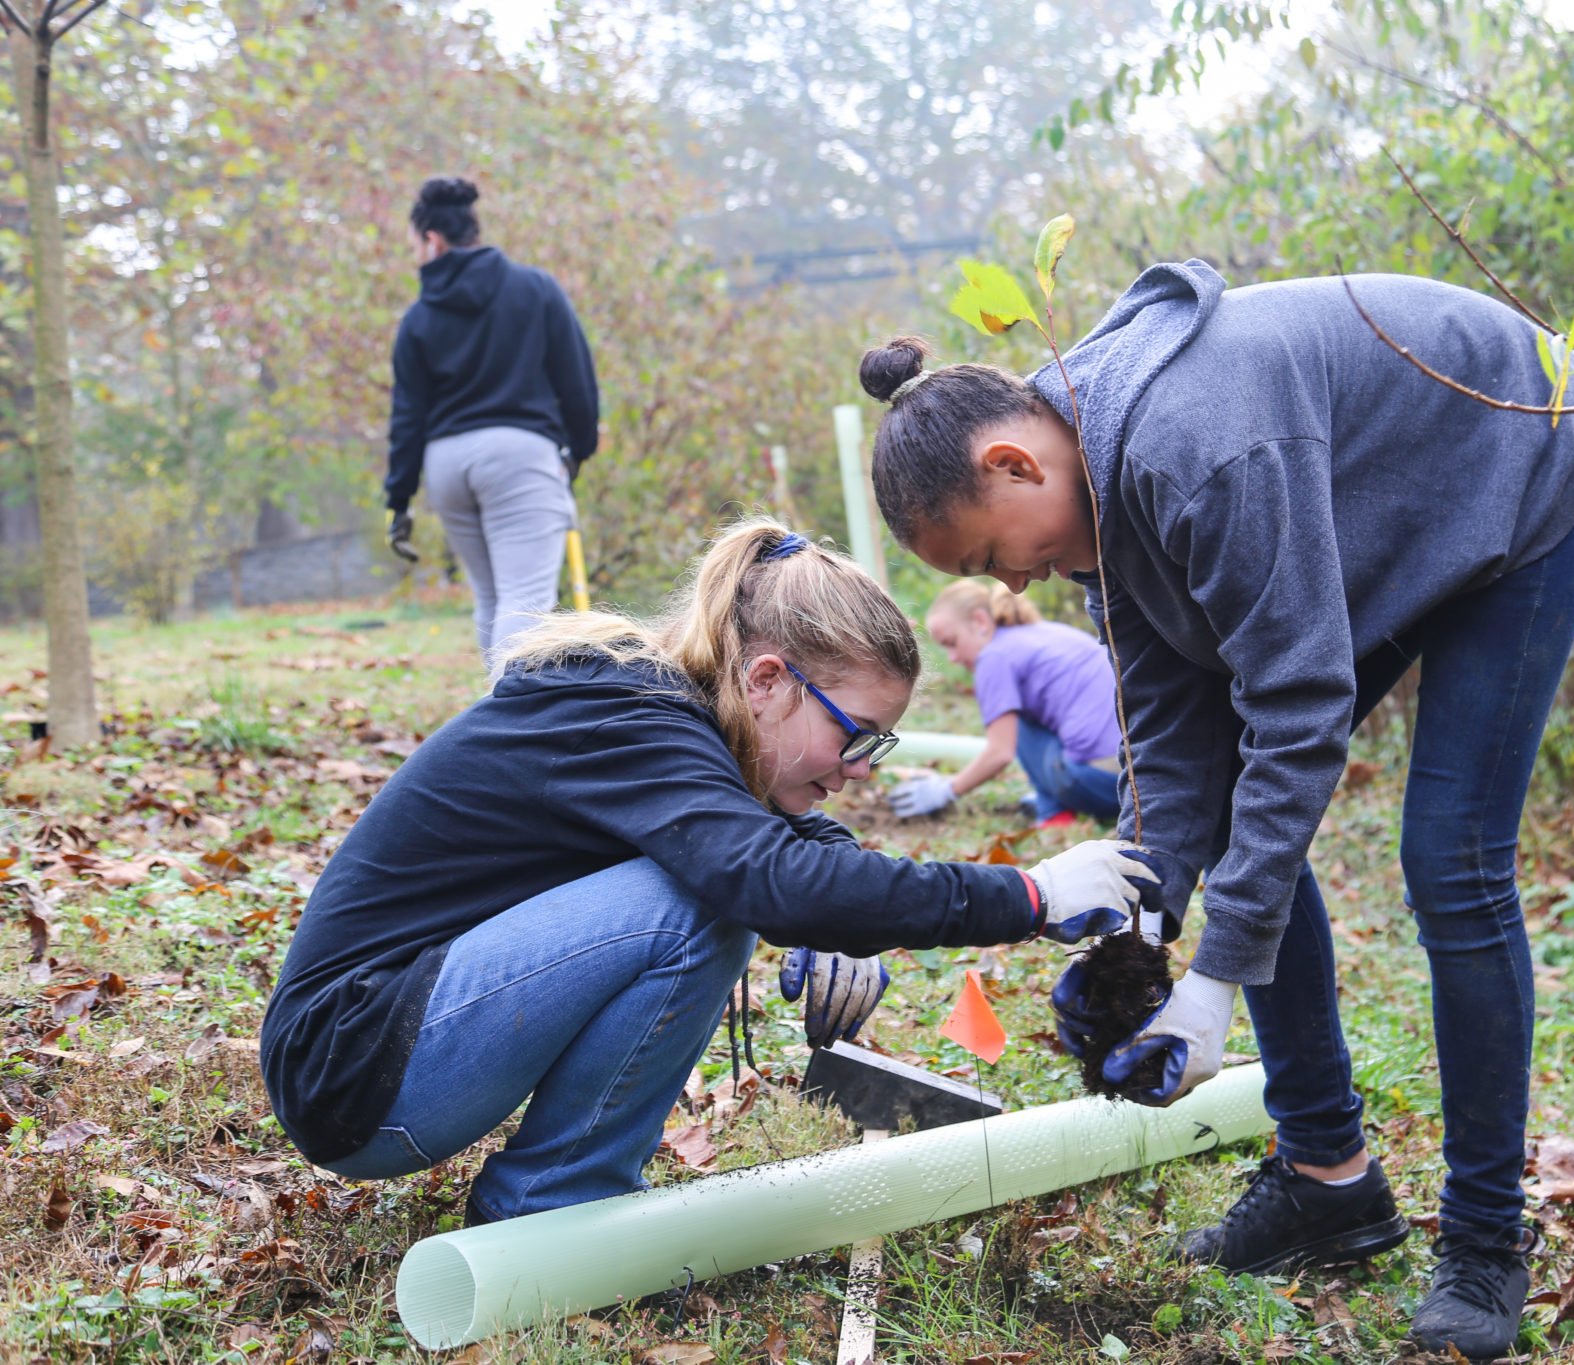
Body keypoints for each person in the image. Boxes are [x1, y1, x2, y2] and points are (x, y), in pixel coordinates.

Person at [857, 263, 1574, 1361]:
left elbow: (1295, 714)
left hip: (1518, 454)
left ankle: (1487, 1239)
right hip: (1382, 503)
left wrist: (1216, 986)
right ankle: (1326, 1178)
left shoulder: (1196, 449)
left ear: (1010, 462)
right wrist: (1145, 919)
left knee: (1449, 859)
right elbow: (1170, 722)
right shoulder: (1088, 491)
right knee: (1259, 828)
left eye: (987, 556)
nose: (1008, 580)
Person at [259, 519, 1159, 1225]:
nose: (860, 771)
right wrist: (1030, 896)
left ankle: (563, 1190)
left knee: (713, 887)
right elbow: (757, 874)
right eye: (855, 736)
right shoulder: (625, 712)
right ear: (767, 677)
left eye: (878, 746)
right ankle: (552, 1204)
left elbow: (770, 844)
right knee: (695, 904)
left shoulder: (677, 717)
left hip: (391, 1055)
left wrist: (840, 893)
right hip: (354, 1066)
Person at [383, 175, 603, 665]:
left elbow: (407, 418)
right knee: (525, 599)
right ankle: (515, 729)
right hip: (519, 457)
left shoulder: (418, 320)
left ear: (432, 240)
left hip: (446, 465)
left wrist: (398, 499)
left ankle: (500, 717)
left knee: (493, 598)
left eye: (413, 246)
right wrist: (577, 451)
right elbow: (577, 384)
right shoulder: (535, 289)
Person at [890, 580, 1122, 828]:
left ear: (980, 621)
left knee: (1017, 720)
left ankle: (1054, 815)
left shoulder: (994, 656)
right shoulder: (1042, 632)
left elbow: (1000, 753)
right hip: (1136, 780)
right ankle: (1055, 804)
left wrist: (946, 790)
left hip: (1100, 782)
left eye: (952, 643)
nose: (953, 658)